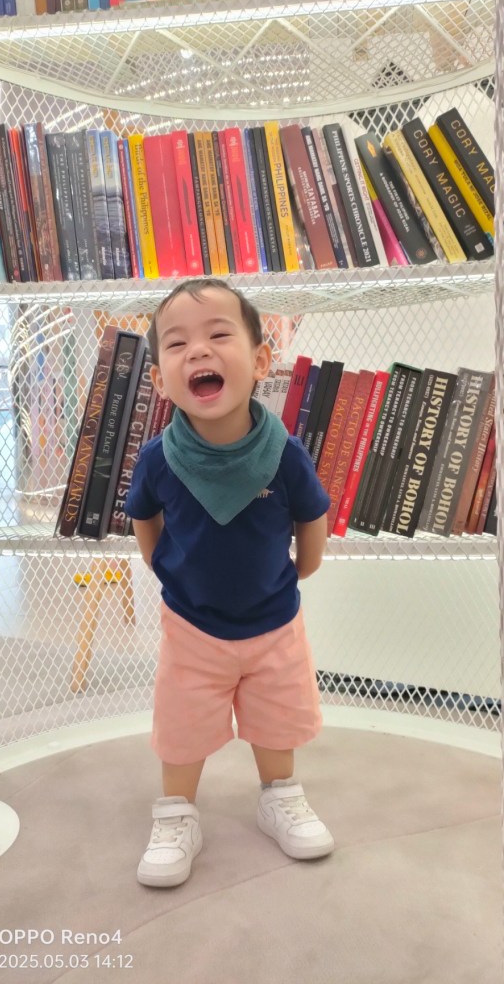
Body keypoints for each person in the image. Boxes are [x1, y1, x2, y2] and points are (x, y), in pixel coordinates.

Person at [124, 278, 334, 888]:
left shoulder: (284, 451)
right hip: (192, 626)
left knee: (277, 716)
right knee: (182, 724)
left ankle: (280, 795)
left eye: (219, 335)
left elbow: (310, 513)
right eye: (178, 343)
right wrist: (163, 566)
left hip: (274, 624)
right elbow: (144, 517)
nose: (199, 351)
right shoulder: (159, 458)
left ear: (261, 360)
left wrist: (306, 567)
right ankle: (176, 814)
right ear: (161, 378)